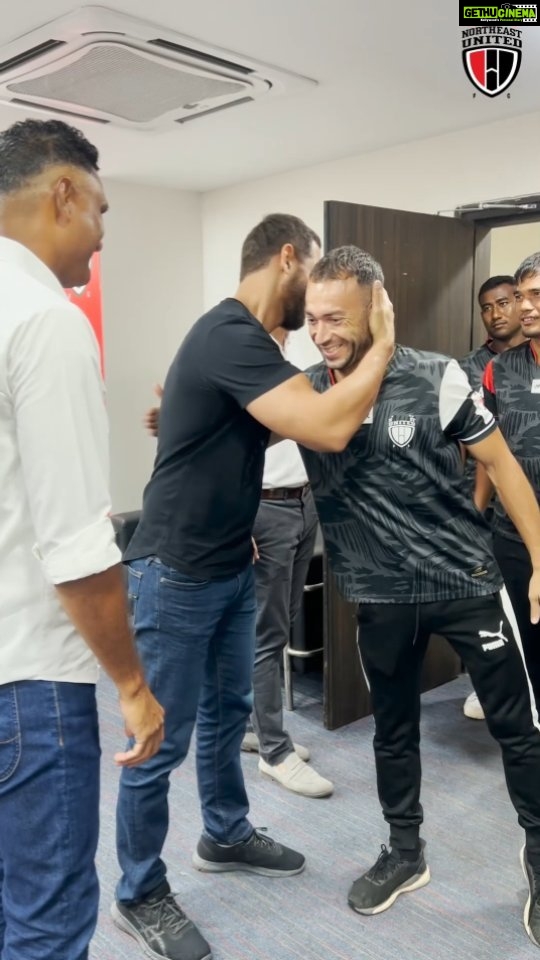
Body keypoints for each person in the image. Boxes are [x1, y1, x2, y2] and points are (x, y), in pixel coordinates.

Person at [112, 215, 395, 960]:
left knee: (228, 715)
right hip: (173, 570)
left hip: (229, 565)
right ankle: (139, 890)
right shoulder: (230, 332)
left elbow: (263, 423)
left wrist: (182, 412)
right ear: (288, 257)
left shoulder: (245, 348)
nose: (317, 312)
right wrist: (385, 345)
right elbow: (327, 430)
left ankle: (226, 834)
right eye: (316, 284)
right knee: (158, 742)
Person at [299, 245, 540, 948]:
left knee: (518, 732)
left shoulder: (436, 376)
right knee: (393, 729)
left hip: (465, 584)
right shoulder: (308, 392)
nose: (322, 333)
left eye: (336, 317)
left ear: (377, 308)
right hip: (379, 597)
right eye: (313, 319)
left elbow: (501, 465)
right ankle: (405, 852)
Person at [0, 118, 164, 960]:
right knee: (48, 919)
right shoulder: (45, 318)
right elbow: (75, 544)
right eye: (99, 210)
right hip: (28, 677)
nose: (100, 238)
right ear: (61, 193)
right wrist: (132, 686)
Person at [242, 325, 333, 798]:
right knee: (266, 632)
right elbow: (219, 449)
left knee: (282, 621)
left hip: (304, 502)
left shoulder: (305, 348)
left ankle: (249, 725)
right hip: (264, 507)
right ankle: (275, 752)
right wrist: (237, 520)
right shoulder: (238, 351)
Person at [459, 275, 525, 720]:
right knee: (492, 605)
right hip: (487, 508)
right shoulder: (472, 367)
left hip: (525, 503)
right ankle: (489, 685)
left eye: (505, 302)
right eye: (487, 307)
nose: (496, 313)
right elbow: (474, 449)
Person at [477, 252, 540, 714]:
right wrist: (473, 512)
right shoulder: (499, 369)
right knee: (528, 648)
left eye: (536, 295)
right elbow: (487, 453)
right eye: (521, 296)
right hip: (512, 536)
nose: (525, 307)